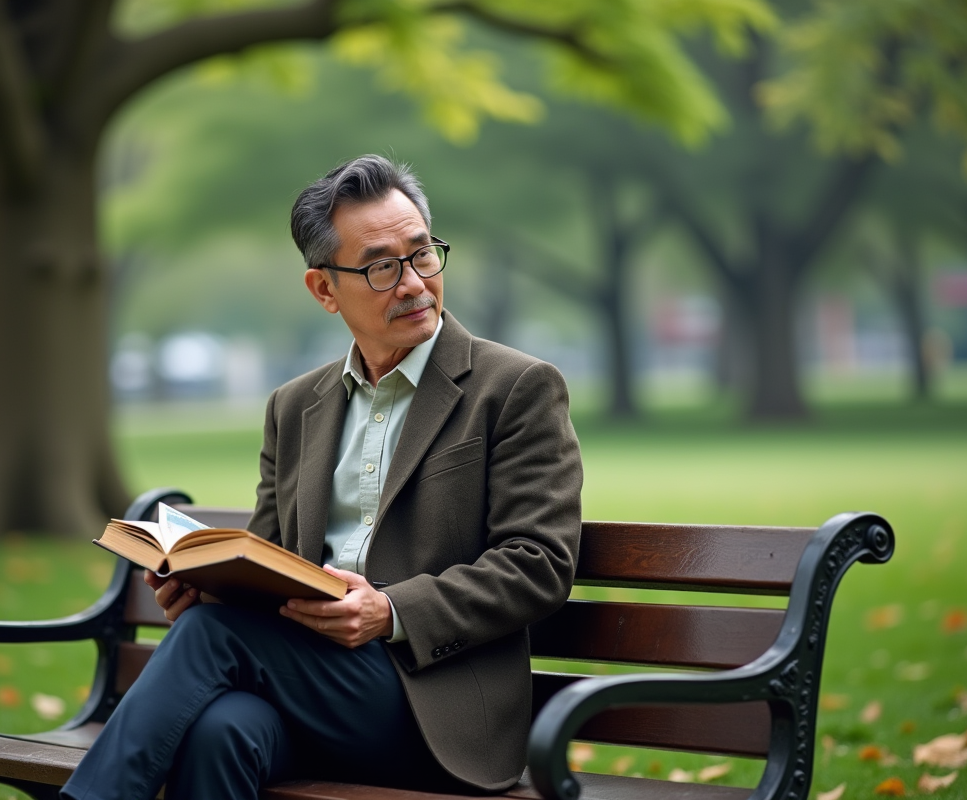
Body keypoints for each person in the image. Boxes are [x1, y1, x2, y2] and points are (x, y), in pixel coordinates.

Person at [61, 155, 582, 800]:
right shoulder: (293, 407)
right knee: (220, 730)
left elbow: (538, 563)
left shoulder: (516, 388)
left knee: (210, 639)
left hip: (435, 709)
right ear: (324, 290)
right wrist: (205, 587)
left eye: (423, 254)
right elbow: (267, 558)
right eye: (381, 267)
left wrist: (389, 611)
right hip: (311, 687)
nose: (414, 284)